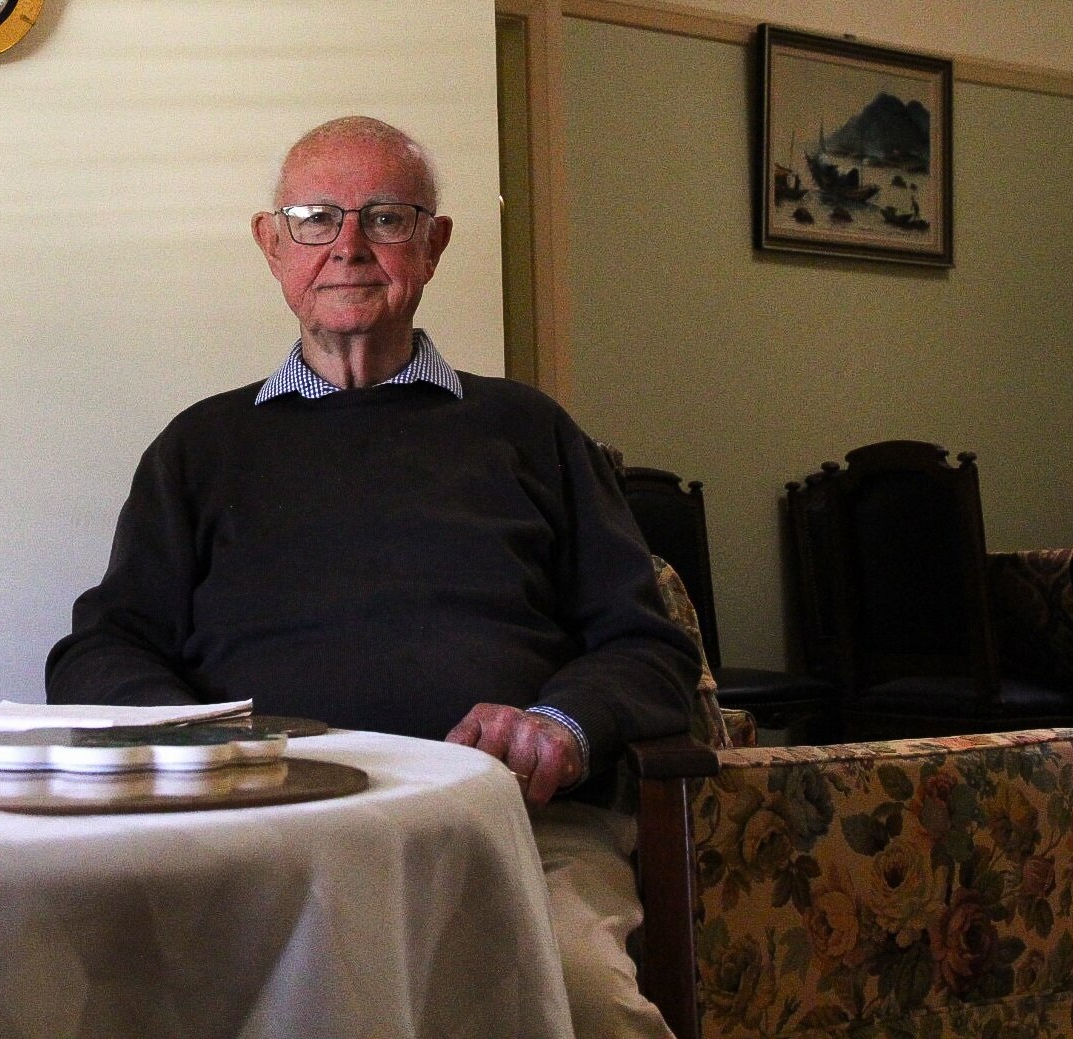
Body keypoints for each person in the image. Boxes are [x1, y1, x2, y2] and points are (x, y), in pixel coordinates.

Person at [46, 115, 699, 1038]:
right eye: (316, 218)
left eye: (386, 218)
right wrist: (197, 743)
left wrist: (559, 725)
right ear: (272, 245)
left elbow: (646, 646)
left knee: (580, 1000)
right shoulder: (200, 447)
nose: (348, 245)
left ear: (432, 245)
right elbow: (100, 647)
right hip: (256, 830)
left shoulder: (531, 430)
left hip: (505, 830)